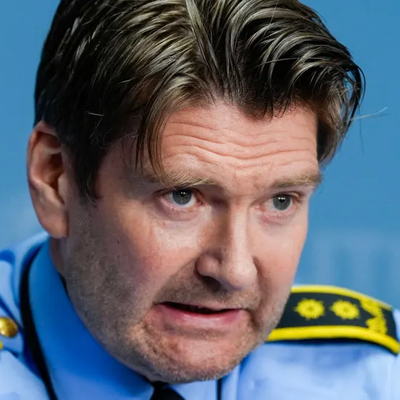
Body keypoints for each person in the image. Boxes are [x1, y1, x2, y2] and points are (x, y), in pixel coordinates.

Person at [0, 0, 398, 398]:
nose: (235, 272)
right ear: (55, 179)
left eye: (280, 201)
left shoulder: (375, 377)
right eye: (182, 197)